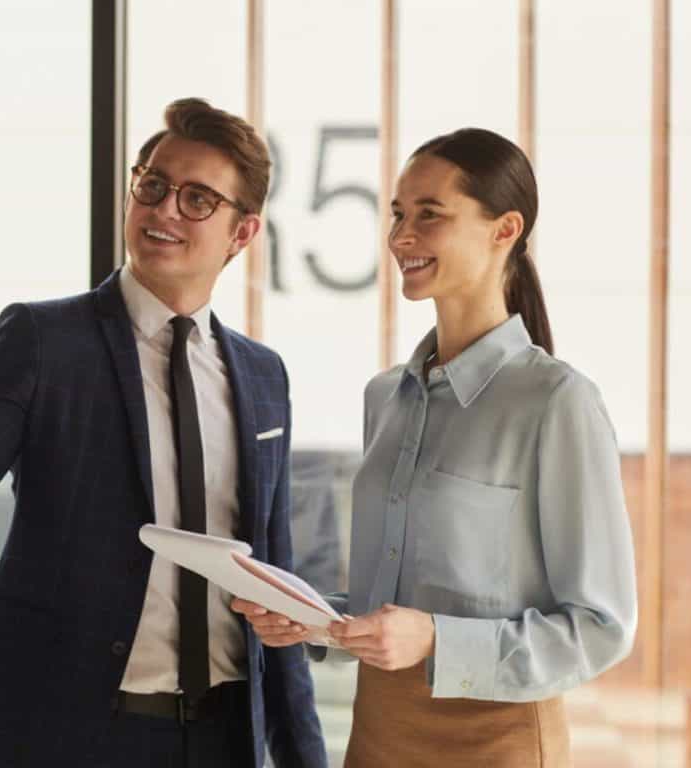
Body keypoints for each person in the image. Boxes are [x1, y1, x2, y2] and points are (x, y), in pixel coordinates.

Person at [0, 97, 327, 768]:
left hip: (223, 739)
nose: (164, 210)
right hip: (71, 736)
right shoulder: (44, 341)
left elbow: (276, 588)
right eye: (153, 185)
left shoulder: (262, 375)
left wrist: (304, 755)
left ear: (243, 233)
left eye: (196, 199)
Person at [234, 127, 638, 767]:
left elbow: (600, 628)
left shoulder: (558, 403)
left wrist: (436, 642)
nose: (400, 237)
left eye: (430, 215)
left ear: (504, 230)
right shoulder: (385, 397)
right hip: (376, 736)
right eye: (398, 213)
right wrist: (315, 620)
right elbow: (394, 608)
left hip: (496, 742)